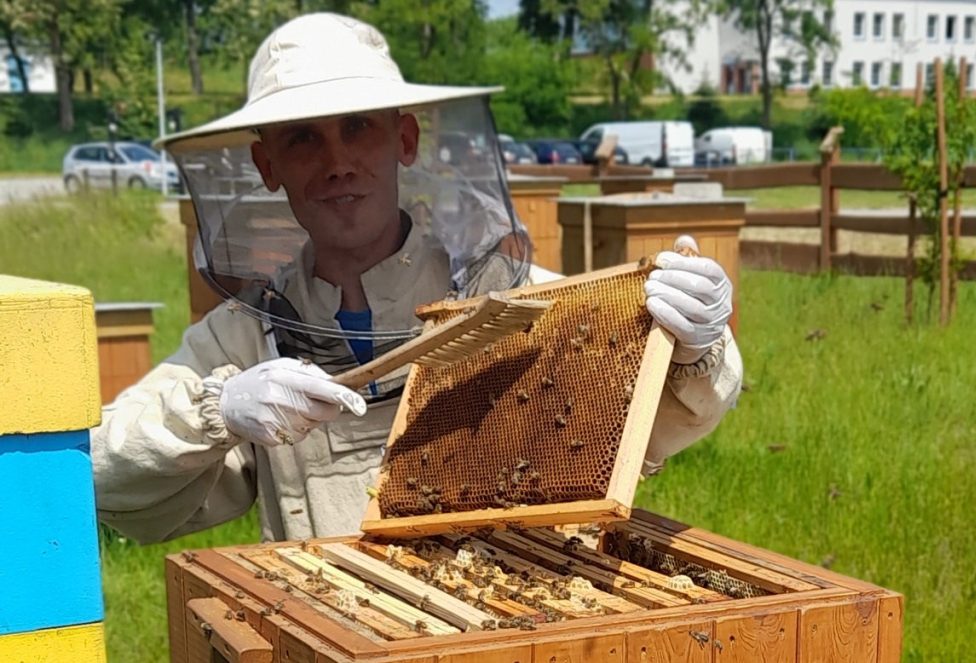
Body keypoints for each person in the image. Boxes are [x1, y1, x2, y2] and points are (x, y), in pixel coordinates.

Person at [92, 13, 743, 544]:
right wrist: (220, 412)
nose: (338, 162)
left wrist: (694, 344)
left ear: (403, 139)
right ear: (268, 164)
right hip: (327, 636)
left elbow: (655, 417)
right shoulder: (239, 342)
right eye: (302, 139)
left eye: (358, 128)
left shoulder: (510, 302)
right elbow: (100, 472)